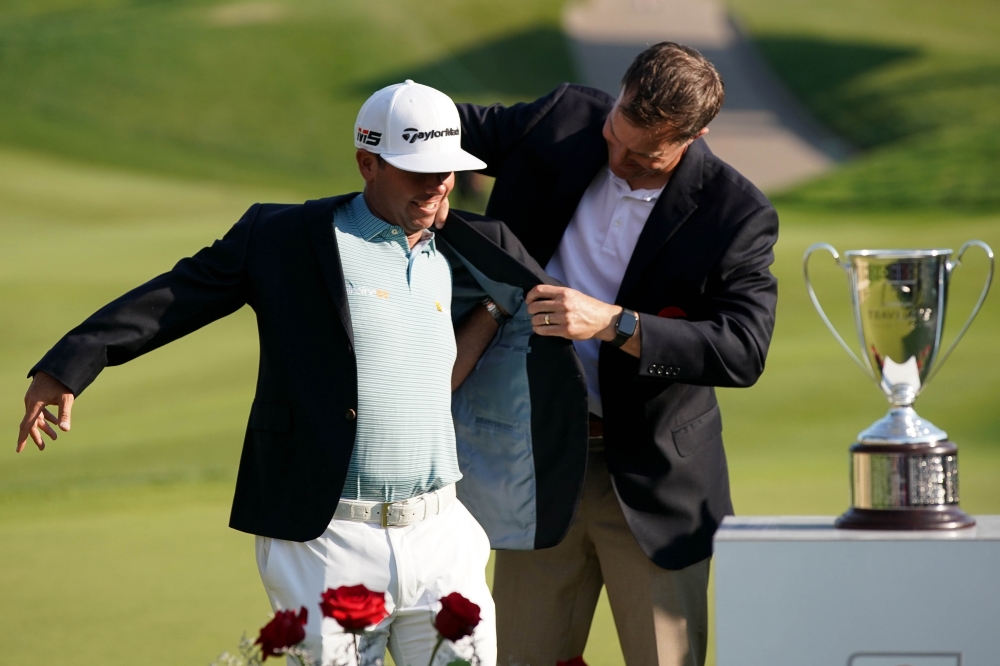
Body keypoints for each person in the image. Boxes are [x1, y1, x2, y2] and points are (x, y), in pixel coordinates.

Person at [16, 81, 591, 666]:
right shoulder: (285, 239)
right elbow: (175, 296)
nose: (437, 185)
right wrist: (69, 364)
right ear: (367, 163)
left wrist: (492, 311)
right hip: (329, 538)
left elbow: (442, 368)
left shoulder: (477, 246)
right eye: (416, 170)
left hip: (442, 535)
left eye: (446, 169)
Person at [457, 42, 779, 666]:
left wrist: (615, 324)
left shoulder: (736, 213)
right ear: (619, 94)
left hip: (657, 489)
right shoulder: (564, 117)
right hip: (542, 465)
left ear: (694, 135)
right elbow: (448, 130)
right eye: (614, 135)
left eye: (642, 154)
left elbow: (743, 348)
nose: (617, 158)